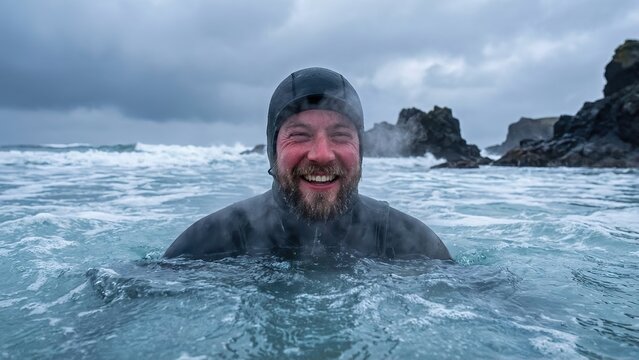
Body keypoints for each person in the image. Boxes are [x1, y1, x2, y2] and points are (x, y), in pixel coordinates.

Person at [164, 67, 451, 260]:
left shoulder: (409, 244)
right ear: (272, 149)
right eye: (300, 135)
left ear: (360, 150)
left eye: (340, 135)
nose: (322, 154)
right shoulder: (212, 243)